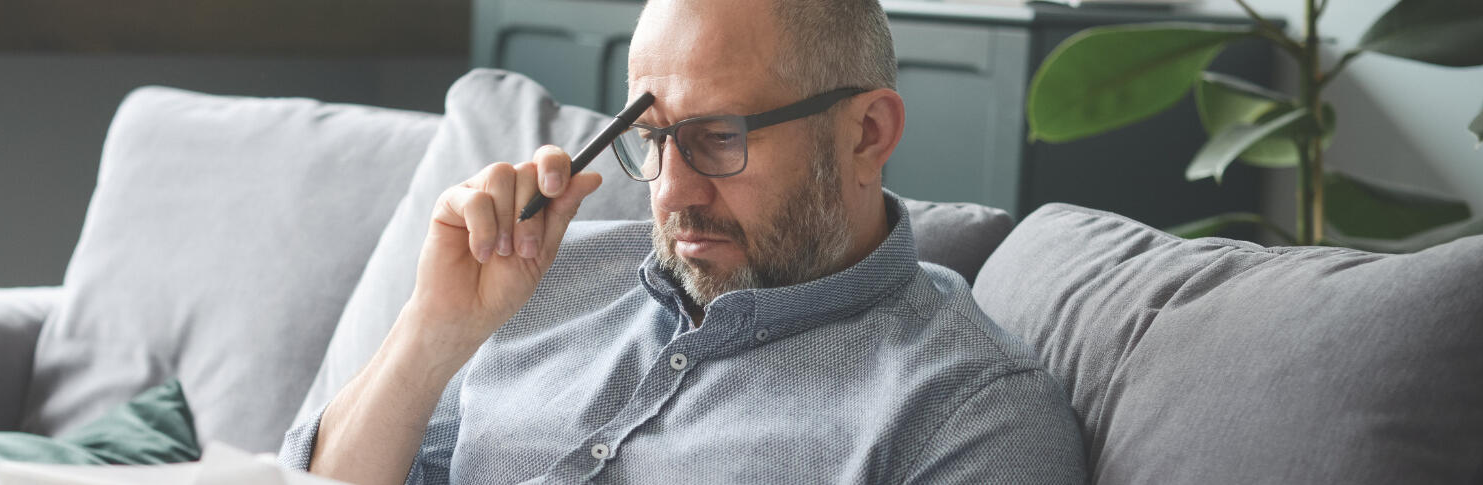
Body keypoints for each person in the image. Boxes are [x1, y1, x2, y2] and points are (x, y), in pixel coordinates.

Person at [278, 0, 1087, 482]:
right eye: (652, 136)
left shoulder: (967, 411)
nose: (670, 190)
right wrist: (432, 330)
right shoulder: (541, 278)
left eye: (719, 137)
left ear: (867, 132)